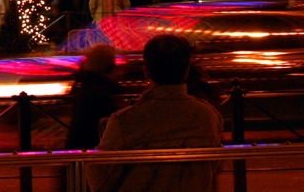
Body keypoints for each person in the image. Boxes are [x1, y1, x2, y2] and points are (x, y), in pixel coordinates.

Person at [87, 34, 223, 191]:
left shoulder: (125, 121)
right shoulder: (208, 116)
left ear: (146, 71)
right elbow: (214, 166)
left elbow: (99, 178)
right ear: (186, 70)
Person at [64, 44, 122, 150]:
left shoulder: (85, 88)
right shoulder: (103, 93)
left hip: (81, 151)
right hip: (94, 153)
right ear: (109, 67)